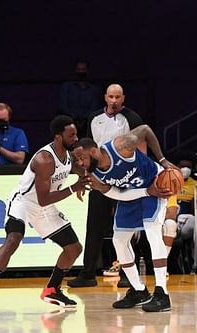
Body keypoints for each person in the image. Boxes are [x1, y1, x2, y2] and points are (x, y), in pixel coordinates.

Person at [0, 115, 91, 316]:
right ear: (58, 136)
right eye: (71, 135)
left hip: (43, 207)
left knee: (74, 248)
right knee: (13, 240)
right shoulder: (44, 159)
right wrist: (73, 188)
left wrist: (84, 177)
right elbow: (44, 198)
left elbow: (76, 169)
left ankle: (52, 289)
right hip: (24, 202)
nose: (75, 138)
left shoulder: (68, 155)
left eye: (75, 134)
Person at [73, 124, 175, 312]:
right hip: (133, 194)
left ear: (94, 151)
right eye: (78, 160)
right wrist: (144, 192)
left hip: (155, 184)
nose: (80, 164)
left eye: (82, 158)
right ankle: (139, 290)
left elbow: (145, 129)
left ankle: (162, 293)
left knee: (153, 232)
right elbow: (114, 193)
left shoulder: (121, 146)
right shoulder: (92, 175)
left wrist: (163, 160)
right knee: (119, 241)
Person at [67, 83, 145, 288]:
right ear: (105, 98)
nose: (114, 101)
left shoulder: (132, 118)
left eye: (118, 97)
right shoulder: (94, 118)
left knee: (126, 227)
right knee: (94, 226)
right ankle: (88, 273)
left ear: (123, 98)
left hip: (124, 178)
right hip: (100, 178)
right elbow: (84, 150)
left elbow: (141, 146)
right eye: (111, 96)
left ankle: (128, 274)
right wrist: (84, 177)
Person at [163, 152, 197, 273]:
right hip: (168, 217)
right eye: (183, 166)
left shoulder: (196, 185)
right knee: (168, 225)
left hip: (186, 220)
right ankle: (164, 265)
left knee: (196, 222)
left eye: (188, 167)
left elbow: (196, 208)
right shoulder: (168, 181)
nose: (185, 169)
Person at [57, 59, 101, 136]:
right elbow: (62, 106)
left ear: (87, 71)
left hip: (87, 127)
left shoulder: (94, 90)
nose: (81, 72)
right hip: (68, 125)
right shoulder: (66, 87)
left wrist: (83, 120)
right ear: (75, 71)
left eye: (83, 69)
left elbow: (94, 108)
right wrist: (74, 118)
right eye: (79, 69)